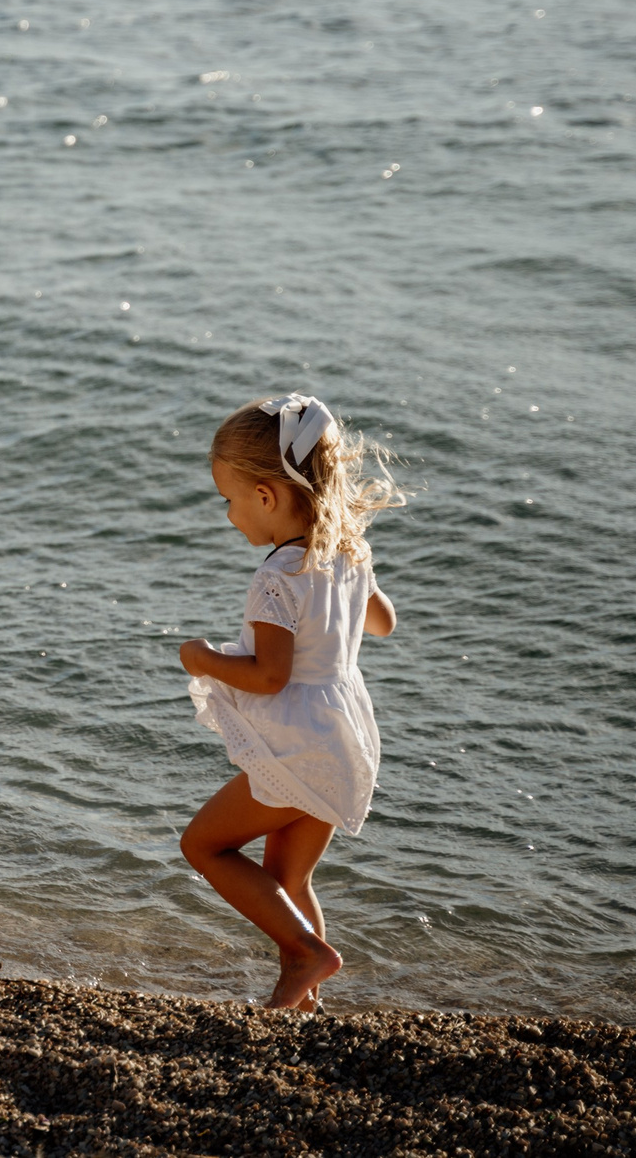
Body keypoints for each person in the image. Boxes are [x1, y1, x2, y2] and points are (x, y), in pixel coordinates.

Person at [178, 393, 405, 1009]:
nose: (229, 516)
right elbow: (382, 622)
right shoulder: (346, 555)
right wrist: (350, 568)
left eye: (229, 500)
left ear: (267, 497)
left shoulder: (276, 578)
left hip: (297, 741)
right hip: (344, 733)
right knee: (288, 879)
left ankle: (308, 956)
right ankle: (305, 998)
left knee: (203, 845)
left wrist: (200, 658)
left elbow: (269, 676)